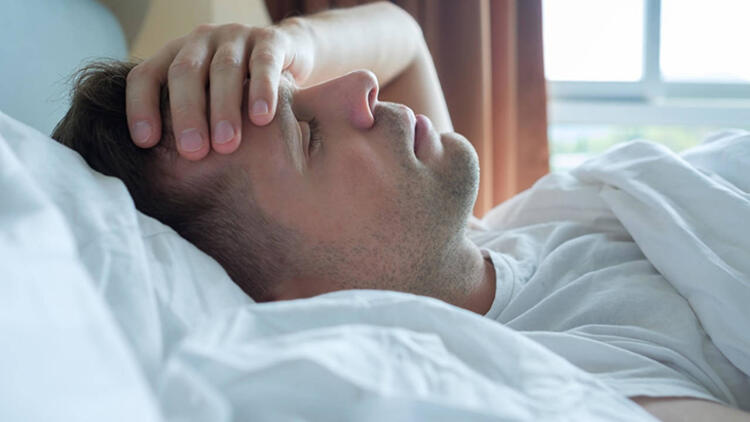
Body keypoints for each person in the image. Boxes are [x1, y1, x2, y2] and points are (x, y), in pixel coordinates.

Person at [52, 3, 749, 421]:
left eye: (299, 89)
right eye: (309, 136)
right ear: (293, 299)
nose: (358, 84)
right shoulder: (577, 377)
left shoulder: (488, 237)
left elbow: (404, 38)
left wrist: (291, 46)